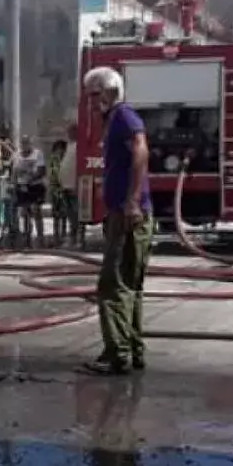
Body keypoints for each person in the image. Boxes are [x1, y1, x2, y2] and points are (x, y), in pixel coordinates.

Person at [81, 66, 152, 375]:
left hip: (127, 215)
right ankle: (133, 349)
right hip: (129, 213)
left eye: (95, 95)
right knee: (130, 287)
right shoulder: (118, 119)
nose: (92, 102)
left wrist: (131, 201)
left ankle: (116, 354)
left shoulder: (123, 117)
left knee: (112, 286)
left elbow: (140, 150)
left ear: (111, 91)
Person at [10, 135, 47, 248]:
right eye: (24, 142)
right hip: (22, 187)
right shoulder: (16, 155)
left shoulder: (37, 154)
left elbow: (41, 171)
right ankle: (27, 237)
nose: (25, 144)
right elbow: (14, 172)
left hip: (35, 186)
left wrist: (29, 180)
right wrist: (14, 184)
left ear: (31, 143)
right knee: (25, 213)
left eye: (28, 142)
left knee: (36, 211)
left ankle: (40, 238)